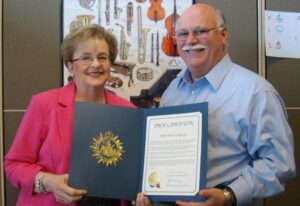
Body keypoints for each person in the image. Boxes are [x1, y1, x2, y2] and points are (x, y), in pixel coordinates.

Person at [136, 3, 296, 206]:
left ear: (224, 35)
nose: (191, 41)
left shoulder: (256, 93)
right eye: (183, 33)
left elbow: (279, 164)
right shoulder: (172, 92)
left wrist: (228, 196)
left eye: (201, 31)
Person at [4, 24, 135, 206]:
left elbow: (132, 170)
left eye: (103, 57)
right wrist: (50, 182)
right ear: (70, 66)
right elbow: (14, 165)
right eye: (85, 58)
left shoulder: (128, 111)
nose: (96, 64)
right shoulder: (43, 104)